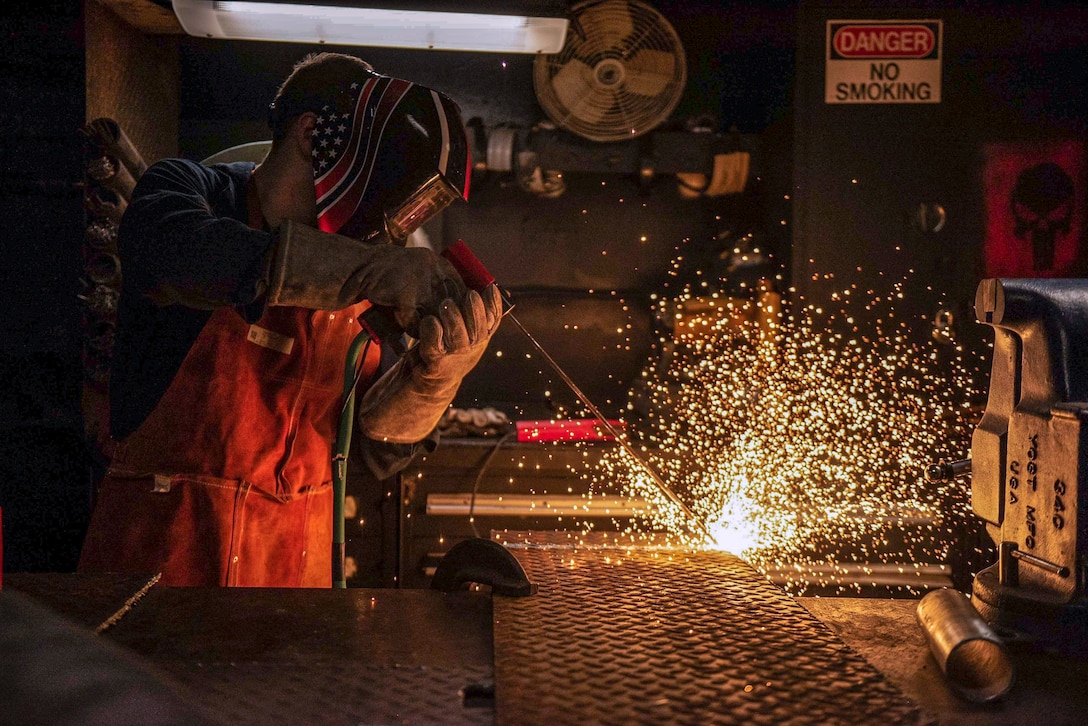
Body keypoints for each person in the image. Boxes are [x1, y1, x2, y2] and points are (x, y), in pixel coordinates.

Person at [78, 52, 502, 587]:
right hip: (159, 575)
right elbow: (177, 255)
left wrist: (436, 377)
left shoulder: (356, 272)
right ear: (311, 136)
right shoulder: (190, 193)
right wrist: (369, 272)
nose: (377, 231)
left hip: (294, 597)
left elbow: (377, 450)